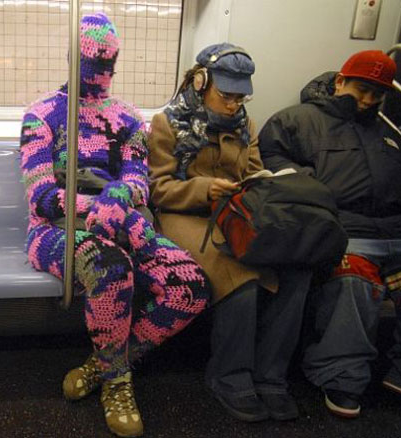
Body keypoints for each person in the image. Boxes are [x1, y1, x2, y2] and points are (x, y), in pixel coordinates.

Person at [19, 13, 210, 437]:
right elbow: (42, 197)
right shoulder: (42, 116)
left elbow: (138, 179)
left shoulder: (128, 118)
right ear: (73, 58)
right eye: (92, 62)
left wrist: (120, 196)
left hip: (122, 220)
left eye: (107, 63)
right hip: (55, 229)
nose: (100, 72)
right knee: (111, 267)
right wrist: (96, 207)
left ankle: (104, 364)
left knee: (190, 286)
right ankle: (118, 383)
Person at [148, 43, 312, 422]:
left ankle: (271, 377)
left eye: (241, 97)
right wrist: (204, 188)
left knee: (295, 270)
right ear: (201, 82)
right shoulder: (167, 123)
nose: (234, 104)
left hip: (234, 212)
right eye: (226, 95)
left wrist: (265, 186)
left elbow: (253, 172)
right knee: (240, 275)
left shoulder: (245, 126)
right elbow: (158, 189)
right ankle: (229, 377)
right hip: (184, 214)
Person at [259, 49, 401, 418]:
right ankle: (343, 377)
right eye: (361, 90)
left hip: (398, 231)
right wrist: (320, 195)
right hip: (343, 229)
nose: (368, 101)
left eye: (377, 94)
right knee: (354, 281)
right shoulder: (296, 121)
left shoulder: (390, 132)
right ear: (340, 81)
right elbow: (277, 167)